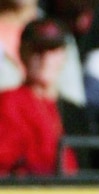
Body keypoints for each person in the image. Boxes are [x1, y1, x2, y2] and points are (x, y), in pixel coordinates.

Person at [0, 17, 92, 175]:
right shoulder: (8, 103)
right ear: (22, 53)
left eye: (53, 50)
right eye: (38, 50)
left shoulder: (74, 112)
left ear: (63, 56)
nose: (45, 59)